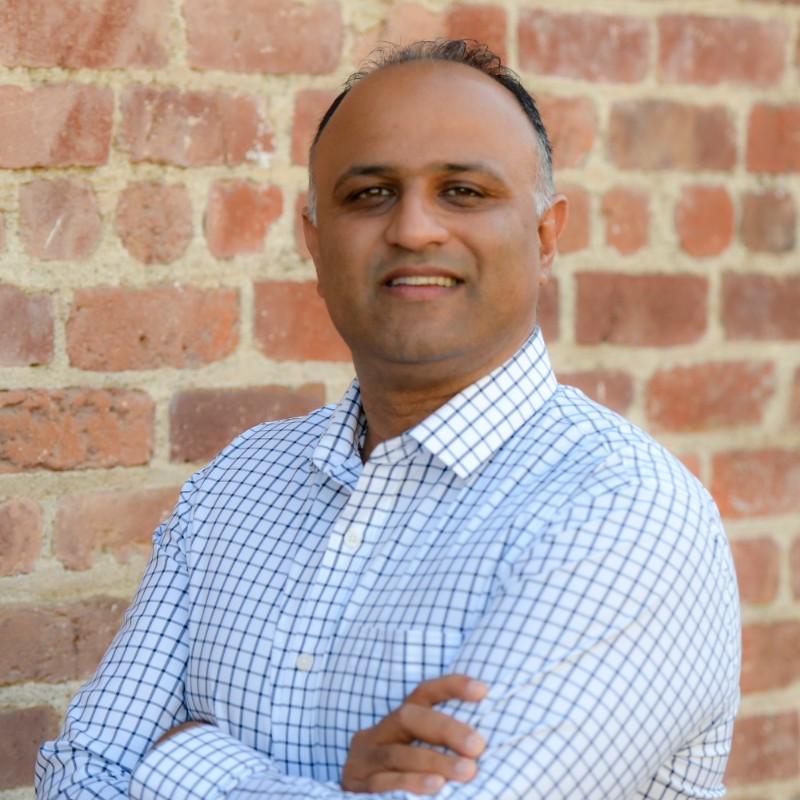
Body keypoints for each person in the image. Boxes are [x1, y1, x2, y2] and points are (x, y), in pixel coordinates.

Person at [36, 39, 740, 800]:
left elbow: (122, 766)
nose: (413, 229)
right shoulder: (237, 484)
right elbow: (78, 774)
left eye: (463, 191)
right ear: (315, 241)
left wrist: (182, 761)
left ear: (544, 237)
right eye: (369, 193)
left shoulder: (621, 513)